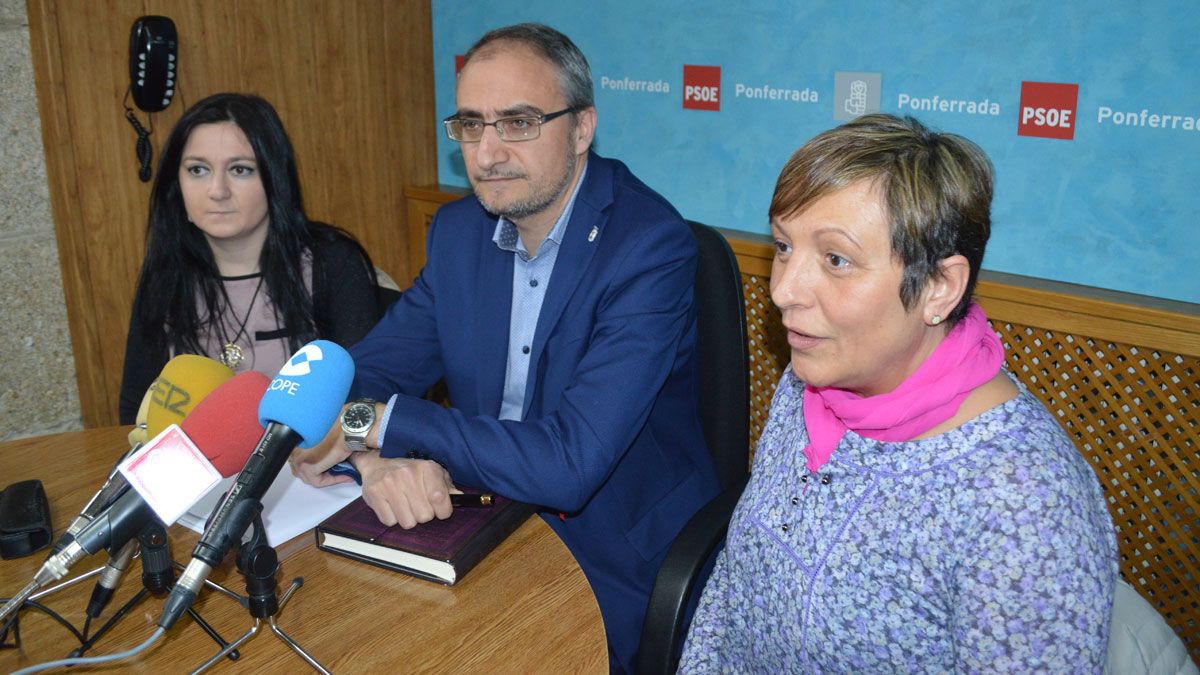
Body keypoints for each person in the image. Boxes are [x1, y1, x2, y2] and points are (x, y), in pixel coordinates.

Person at [290, 23, 719, 671]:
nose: (487, 153)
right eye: (470, 124)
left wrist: (385, 423)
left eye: (518, 122)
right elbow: (361, 378)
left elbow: (568, 465)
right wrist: (374, 457)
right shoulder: (460, 233)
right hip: (477, 518)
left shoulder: (648, 246)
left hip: (612, 554)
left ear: (581, 129)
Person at [678, 114, 1117, 671]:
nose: (783, 291)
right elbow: (736, 590)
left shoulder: (1024, 506)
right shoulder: (808, 379)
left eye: (836, 260)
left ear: (940, 286)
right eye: (784, 247)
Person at [118, 93, 380, 423]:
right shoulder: (166, 275)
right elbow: (134, 412)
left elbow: (364, 399)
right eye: (198, 169)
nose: (217, 190)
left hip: (311, 468)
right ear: (177, 186)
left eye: (240, 170)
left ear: (274, 180)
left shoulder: (331, 263)